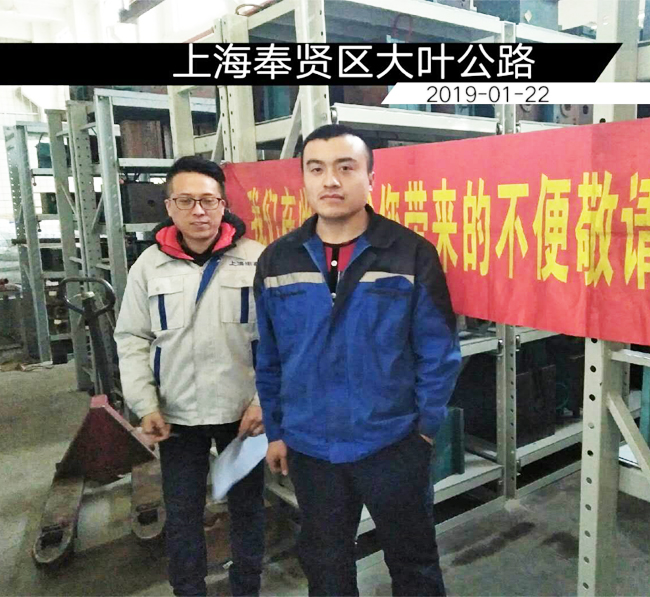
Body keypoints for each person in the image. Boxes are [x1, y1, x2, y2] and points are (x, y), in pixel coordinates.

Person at [253, 124, 461, 596]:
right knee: (326, 569)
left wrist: (424, 430)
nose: (331, 180)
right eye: (316, 169)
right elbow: (269, 355)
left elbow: (438, 349)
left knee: (414, 565)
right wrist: (277, 430)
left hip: (392, 442)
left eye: (345, 168)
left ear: (370, 178)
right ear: (304, 180)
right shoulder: (277, 261)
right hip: (310, 448)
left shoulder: (410, 253)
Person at [114, 156, 265, 597]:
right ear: (169, 206)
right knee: (181, 513)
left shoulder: (256, 259)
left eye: (208, 200)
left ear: (223, 205)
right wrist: (145, 404)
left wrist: (264, 402)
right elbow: (132, 338)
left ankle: (247, 588)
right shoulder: (149, 266)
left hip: (243, 414)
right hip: (177, 414)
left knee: (248, 508)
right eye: (186, 201)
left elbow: (280, 339)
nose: (199, 211)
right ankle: (188, 589)